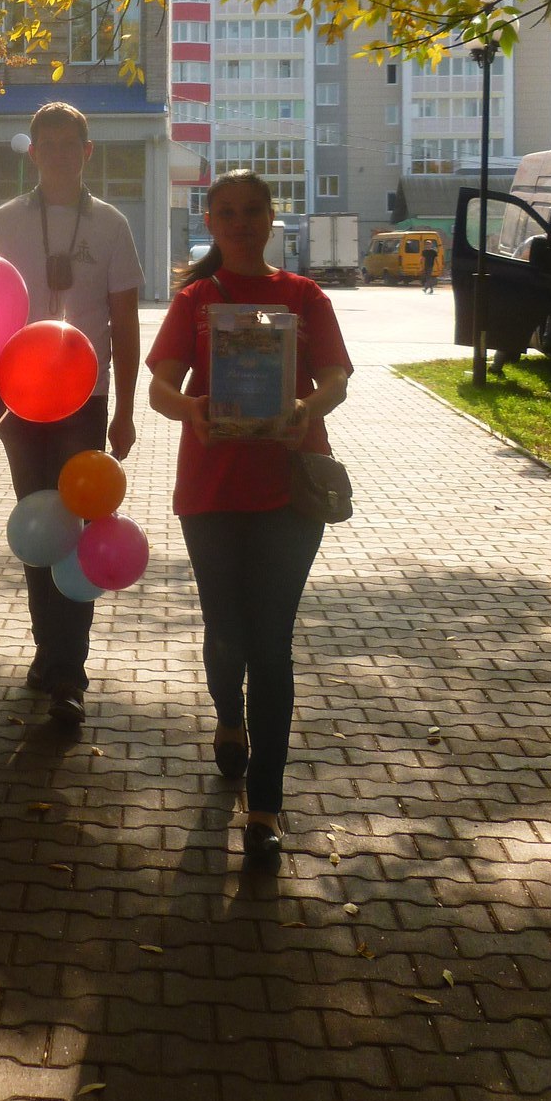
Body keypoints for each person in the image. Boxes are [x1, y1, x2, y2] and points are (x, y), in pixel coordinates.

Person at [146, 170, 352, 867]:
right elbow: (160, 389)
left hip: (288, 495)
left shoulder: (304, 297)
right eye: (227, 213)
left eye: (252, 211)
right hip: (211, 489)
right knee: (226, 634)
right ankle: (229, 723)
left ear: (270, 217)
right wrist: (193, 409)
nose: (240, 222)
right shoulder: (197, 301)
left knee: (270, 644)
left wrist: (306, 410)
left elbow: (336, 380)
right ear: (211, 221)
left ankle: (264, 807)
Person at [0, 101, 143, 730]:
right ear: (34, 153)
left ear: (86, 151)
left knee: (72, 528)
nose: (54, 155)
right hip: (17, 400)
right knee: (35, 526)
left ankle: (68, 671)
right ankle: (50, 649)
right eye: (44, 144)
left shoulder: (109, 225)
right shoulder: (4, 221)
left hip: (83, 402)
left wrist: (125, 409)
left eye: (66, 144)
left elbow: (125, 325)